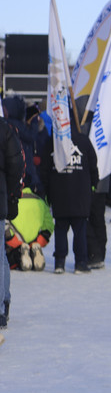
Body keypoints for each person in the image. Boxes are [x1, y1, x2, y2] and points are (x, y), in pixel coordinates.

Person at [39, 116, 99, 274]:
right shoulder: (84, 141)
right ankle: (80, 262)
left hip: (59, 195)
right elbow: (94, 166)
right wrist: (93, 186)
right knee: (80, 230)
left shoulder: (52, 143)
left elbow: (43, 171)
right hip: (81, 194)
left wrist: (47, 192)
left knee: (60, 229)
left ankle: (60, 262)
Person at [1, 115, 25, 329]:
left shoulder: (4, 129)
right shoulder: (5, 129)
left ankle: (1, 305)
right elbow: (16, 165)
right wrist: (9, 192)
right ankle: (2, 304)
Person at [4, 186, 53, 272]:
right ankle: (33, 251)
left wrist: (11, 238)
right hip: (35, 239)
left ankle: (20, 254)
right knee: (31, 246)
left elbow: (5, 222)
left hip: (16, 239)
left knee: (8, 259)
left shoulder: (12, 201)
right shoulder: (40, 201)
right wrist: (42, 239)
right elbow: (49, 224)